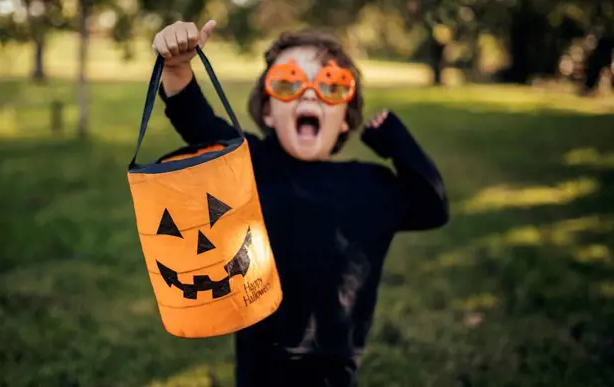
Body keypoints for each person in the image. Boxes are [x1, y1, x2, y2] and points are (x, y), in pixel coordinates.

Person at [152, 19, 449, 387]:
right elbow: (197, 122)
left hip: (334, 369)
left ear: (345, 119)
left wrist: (391, 137)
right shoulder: (252, 164)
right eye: (288, 83)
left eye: (331, 86)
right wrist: (177, 67)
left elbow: (433, 205)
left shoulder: (370, 187)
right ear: (267, 113)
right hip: (260, 364)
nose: (309, 95)